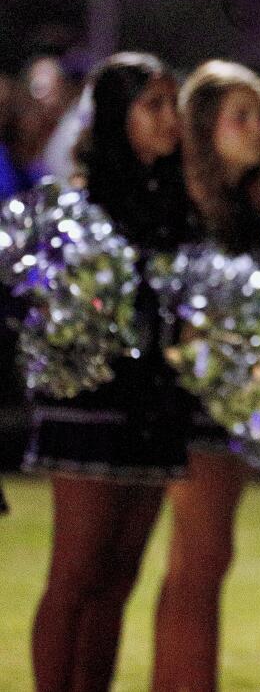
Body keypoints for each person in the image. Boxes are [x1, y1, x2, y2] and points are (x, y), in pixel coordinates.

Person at [24, 52, 198, 692]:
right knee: (75, 573)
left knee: (121, 574)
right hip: (90, 405)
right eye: (152, 105)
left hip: (156, 405)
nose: (168, 120)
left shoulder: (176, 205)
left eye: (170, 104)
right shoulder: (78, 205)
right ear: (114, 115)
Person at [152, 59, 260, 691]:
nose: (256, 128)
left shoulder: (246, 208)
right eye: (241, 116)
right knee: (198, 558)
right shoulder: (185, 209)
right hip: (188, 405)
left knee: (209, 558)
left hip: (231, 404)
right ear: (202, 126)